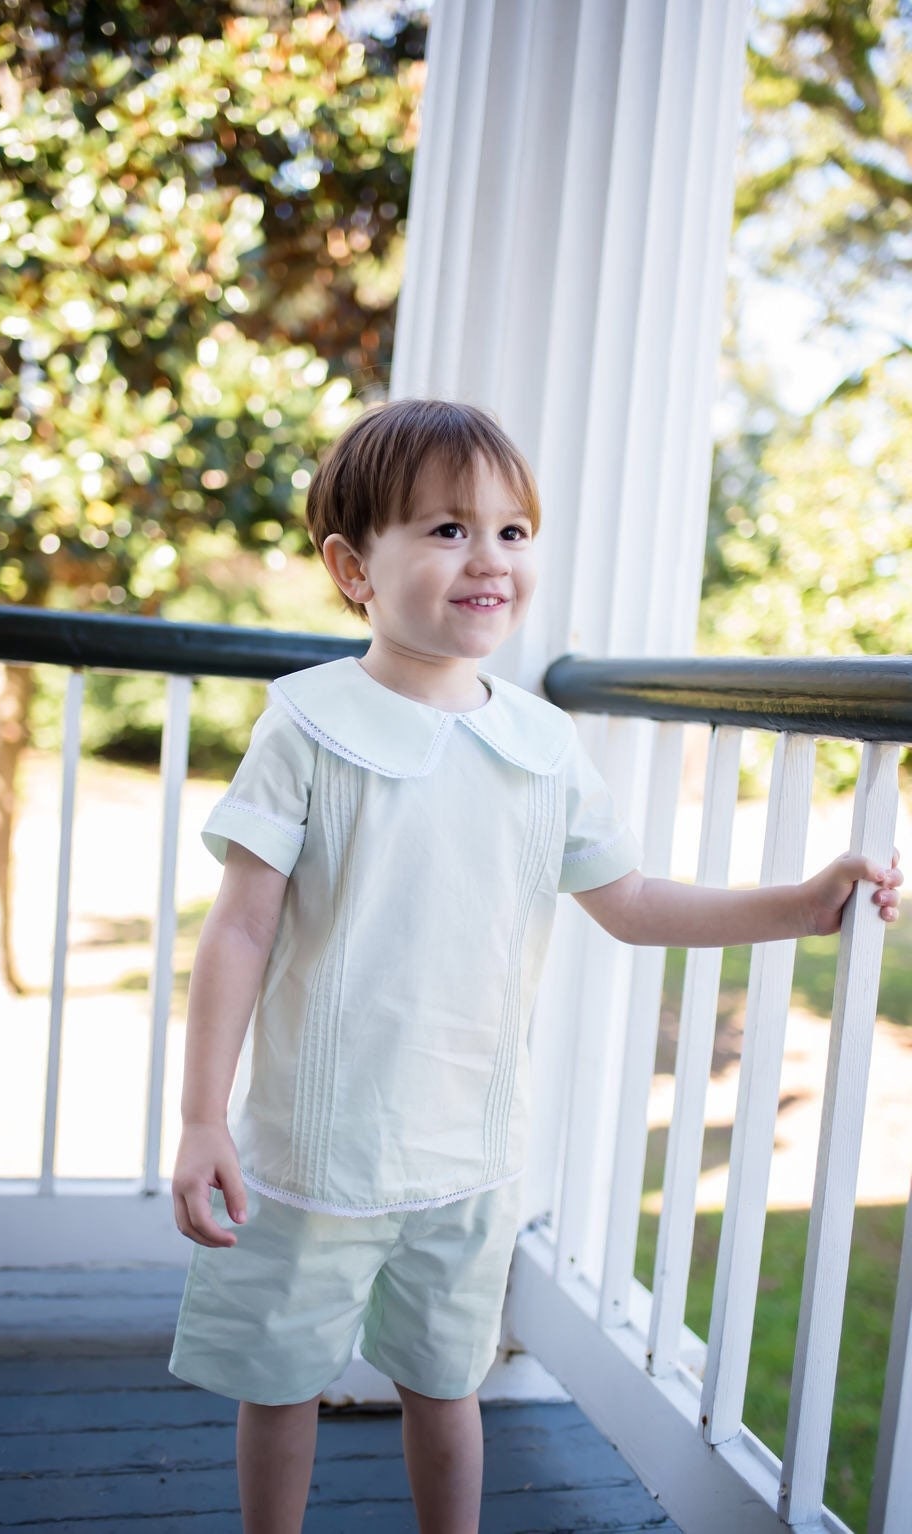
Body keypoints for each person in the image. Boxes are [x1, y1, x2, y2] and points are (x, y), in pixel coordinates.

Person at [168, 398, 901, 1534]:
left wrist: (800, 902)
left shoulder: (542, 742)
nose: (489, 558)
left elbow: (634, 902)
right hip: (310, 1151)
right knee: (282, 1384)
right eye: (447, 529)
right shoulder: (307, 727)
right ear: (353, 567)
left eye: (511, 532)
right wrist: (202, 1118)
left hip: (466, 1149)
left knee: (446, 1383)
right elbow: (240, 930)